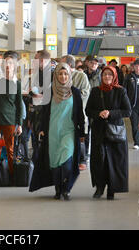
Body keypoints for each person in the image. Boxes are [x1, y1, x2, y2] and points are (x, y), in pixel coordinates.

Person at [36, 63, 84, 200]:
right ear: (56, 75)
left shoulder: (75, 92)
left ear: (69, 75)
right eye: (60, 74)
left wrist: (82, 132)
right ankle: (58, 188)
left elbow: (79, 113)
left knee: (67, 160)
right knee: (55, 162)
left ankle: (67, 188)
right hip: (52, 132)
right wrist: (41, 129)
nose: (63, 76)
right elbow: (44, 113)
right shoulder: (49, 91)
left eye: (66, 74)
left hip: (69, 131)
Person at [86, 66, 131, 200]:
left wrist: (110, 113)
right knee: (99, 160)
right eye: (105, 75)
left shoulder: (120, 91)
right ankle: (100, 187)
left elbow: (127, 111)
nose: (107, 77)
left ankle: (113, 188)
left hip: (115, 132)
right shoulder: (95, 91)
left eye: (110, 75)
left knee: (115, 161)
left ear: (114, 76)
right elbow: (88, 110)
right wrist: (98, 113)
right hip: (99, 131)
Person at [0, 51, 23, 186]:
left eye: (11, 63)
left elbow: (19, 105)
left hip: (10, 121)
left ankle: (12, 176)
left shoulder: (17, 83)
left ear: (15, 66)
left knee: (11, 150)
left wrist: (20, 123)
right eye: (6, 63)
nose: (8, 66)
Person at [61, 55, 91, 170]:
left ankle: (82, 159)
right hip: (64, 114)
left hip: (78, 113)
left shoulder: (81, 76)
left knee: (80, 137)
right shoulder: (60, 76)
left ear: (69, 65)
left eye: (62, 64)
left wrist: (70, 97)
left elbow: (85, 94)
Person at [123, 58, 139, 150]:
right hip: (133, 105)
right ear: (133, 67)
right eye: (136, 66)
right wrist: (126, 102)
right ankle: (136, 142)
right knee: (134, 123)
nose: (137, 68)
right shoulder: (129, 77)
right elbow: (124, 90)